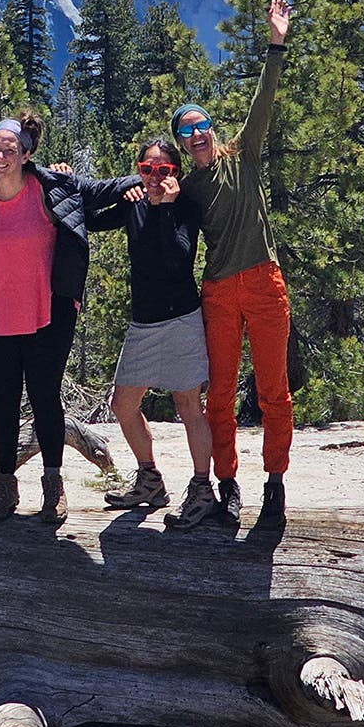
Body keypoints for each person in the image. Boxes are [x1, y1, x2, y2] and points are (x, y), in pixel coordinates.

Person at [0, 112, 138, 525]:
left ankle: (53, 485)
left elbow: (104, 191)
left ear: (26, 154)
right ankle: (6, 488)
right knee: (3, 404)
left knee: (46, 399)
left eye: (10, 149)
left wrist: (143, 182)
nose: (1, 155)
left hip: (48, 312)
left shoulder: (53, 187)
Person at [173, 0, 294, 525]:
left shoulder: (243, 155)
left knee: (274, 391)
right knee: (219, 394)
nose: (197, 135)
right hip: (219, 291)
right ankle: (226, 483)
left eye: (202, 126)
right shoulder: (186, 190)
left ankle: (274, 482)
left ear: (213, 131)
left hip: (264, 283)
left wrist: (275, 42)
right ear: (180, 143)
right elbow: (153, 203)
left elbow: (263, 101)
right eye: (186, 131)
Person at [90, 136, 216, 528]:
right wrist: (69, 182)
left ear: (175, 173)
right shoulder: (133, 205)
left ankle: (201, 488)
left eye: (163, 170)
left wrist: (163, 208)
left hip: (180, 317)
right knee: (122, 404)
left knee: (188, 406)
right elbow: (89, 218)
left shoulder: (185, 208)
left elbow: (179, 259)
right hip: (143, 321)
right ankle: (149, 480)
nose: (155, 177)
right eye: (147, 170)